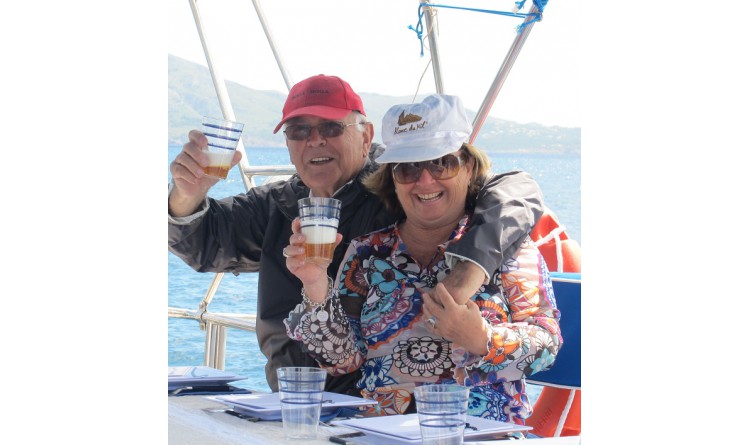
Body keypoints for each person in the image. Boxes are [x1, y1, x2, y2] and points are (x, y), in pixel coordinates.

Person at [168, 74, 545, 394]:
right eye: (299, 130)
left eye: (331, 128)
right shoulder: (283, 208)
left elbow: (516, 191)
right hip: (305, 402)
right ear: (288, 144)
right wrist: (187, 193)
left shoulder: (400, 191)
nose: (314, 140)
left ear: (366, 138)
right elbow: (203, 243)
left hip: (393, 413)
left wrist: (471, 271)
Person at [283, 94, 562, 425]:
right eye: (409, 168)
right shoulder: (368, 251)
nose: (425, 179)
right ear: (392, 179)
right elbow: (342, 360)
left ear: (468, 167)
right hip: (383, 433)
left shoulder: (510, 247)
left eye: (442, 162)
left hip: (481, 434)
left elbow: (548, 343)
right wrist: (315, 284)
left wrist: (483, 339)